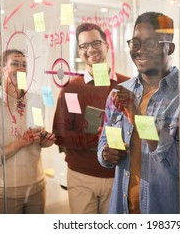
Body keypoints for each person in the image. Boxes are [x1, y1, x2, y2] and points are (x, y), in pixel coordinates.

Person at [97, 11, 180, 214]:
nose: (140, 51)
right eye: (135, 43)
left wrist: (139, 118)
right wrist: (106, 154)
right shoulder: (119, 93)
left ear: (170, 48)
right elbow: (104, 141)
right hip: (122, 209)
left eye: (151, 44)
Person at [53, 23, 129, 214]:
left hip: (119, 175)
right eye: (84, 46)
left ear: (107, 46)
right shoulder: (71, 88)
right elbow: (60, 136)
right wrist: (93, 138)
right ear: (79, 52)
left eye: (96, 43)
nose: (91, 50)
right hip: (81, 176)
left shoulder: (127, 85)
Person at [0, 49, 56, 214]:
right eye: (15, 63)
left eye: (24, 65)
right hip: (5, 192)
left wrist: (44, 141)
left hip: (37, 188)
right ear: (0, 69)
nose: (21, 69)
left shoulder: (36, 101)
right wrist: (19, 143)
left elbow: (39, 137)